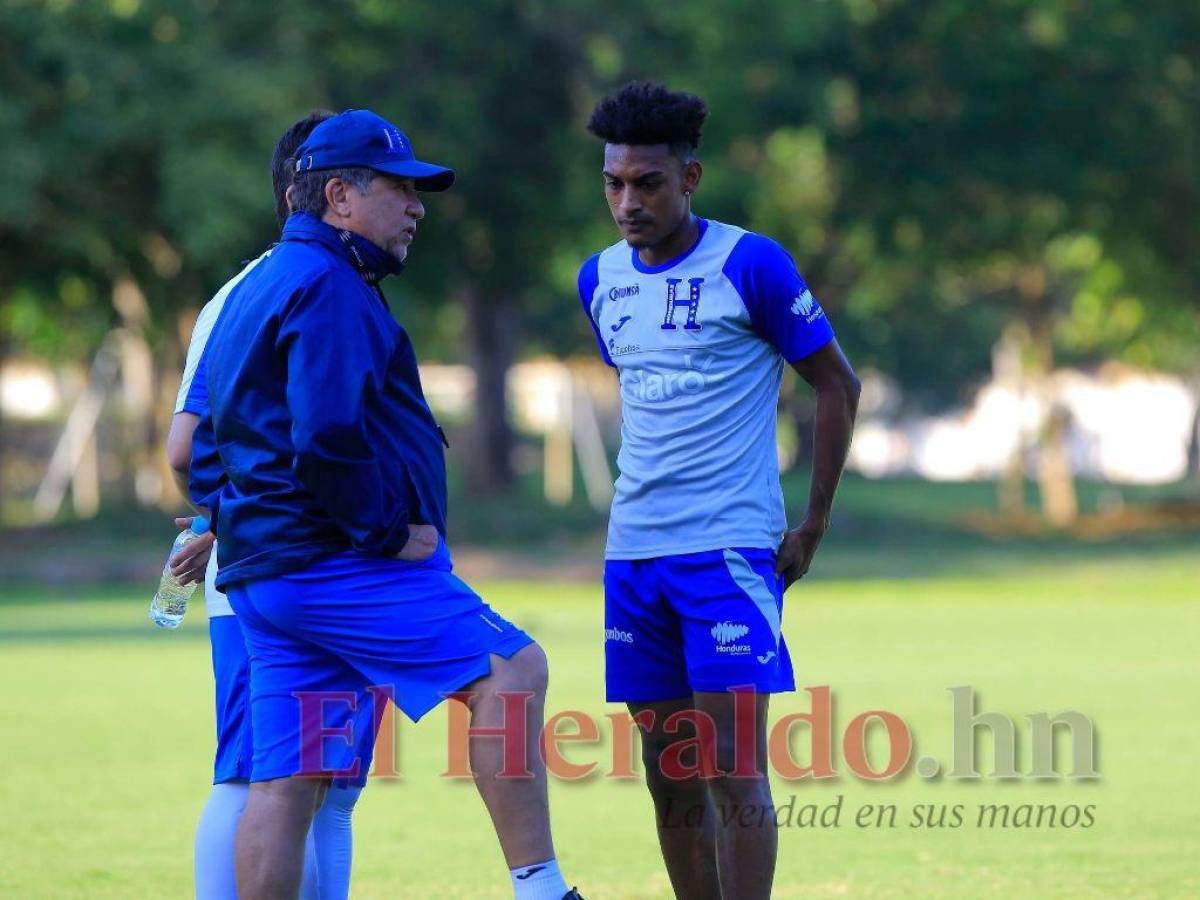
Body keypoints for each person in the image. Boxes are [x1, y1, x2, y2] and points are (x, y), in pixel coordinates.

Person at [189, 109, 582, 900]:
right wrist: (381, 529)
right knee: (512, 670)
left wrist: (238, 526)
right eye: (400, 189)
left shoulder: (255, 285)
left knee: (287, 783)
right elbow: (328, 434)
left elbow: (200, 447)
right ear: (338, 195)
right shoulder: (327, 285)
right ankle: (544, 891)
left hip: (265, 577)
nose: (418, 207)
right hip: (332, 564)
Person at [577, 82, 861, 900]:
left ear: (690, 178)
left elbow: (837, 386)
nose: (628, 202)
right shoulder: (597, 280)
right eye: (614, 183)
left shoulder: (751, 264)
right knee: (670, 776)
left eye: (649, 183)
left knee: (733, 770)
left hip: (728, 552)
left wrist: (813, 522)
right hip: (632, 558)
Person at [166, 110, 374, 900]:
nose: (406, 201)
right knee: (263, 778)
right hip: (290, 572)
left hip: (294, 570)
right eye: (382, 181)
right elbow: (188, 446)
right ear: (324, 191)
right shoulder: (270, 289)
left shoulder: (291, 286)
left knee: (321, 787)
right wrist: (227, 518)